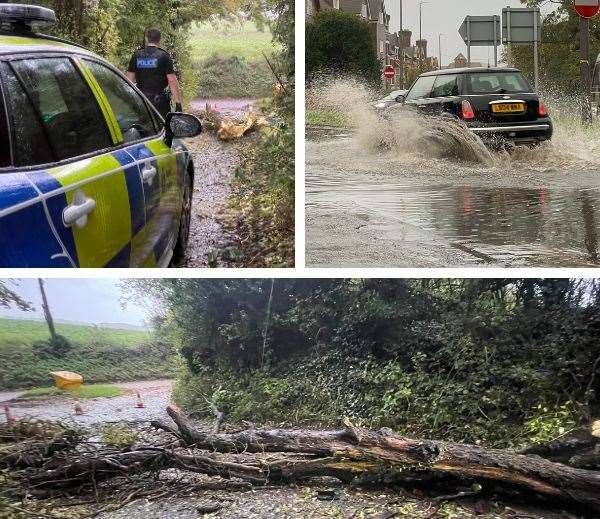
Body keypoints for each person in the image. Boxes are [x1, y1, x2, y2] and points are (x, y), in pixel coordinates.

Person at [127, 28, 183, 118]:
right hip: (159, 102)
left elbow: (129, 81)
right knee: (162, 127)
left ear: (146, 38)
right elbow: (172, 81)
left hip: (141, 101)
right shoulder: (164, 56)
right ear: (159, 39)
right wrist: (178, 103)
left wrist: (129, 101)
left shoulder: (136, 55)